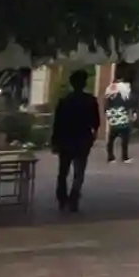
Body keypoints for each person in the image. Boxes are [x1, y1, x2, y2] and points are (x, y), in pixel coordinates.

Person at [50, 69, 101, 213]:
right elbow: (96, 122)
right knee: (79, 173)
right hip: (82, 139)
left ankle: (62, 198)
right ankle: (74, 197)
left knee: (63, 172)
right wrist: (93, 135)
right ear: (84, 83)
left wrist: (55, 140)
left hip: (66, 139)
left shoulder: (64, 101)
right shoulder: (90, 101)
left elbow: (57, 123)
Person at [105, 77, 133, 163]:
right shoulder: (123, 95)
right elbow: (127, 105)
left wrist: (109, 117)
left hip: (114, 121)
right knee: (125, 140)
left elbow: (106, 109)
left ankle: (111, 157)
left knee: (111, 139)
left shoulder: (109, 96)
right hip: (122, 120)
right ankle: (124, 157)